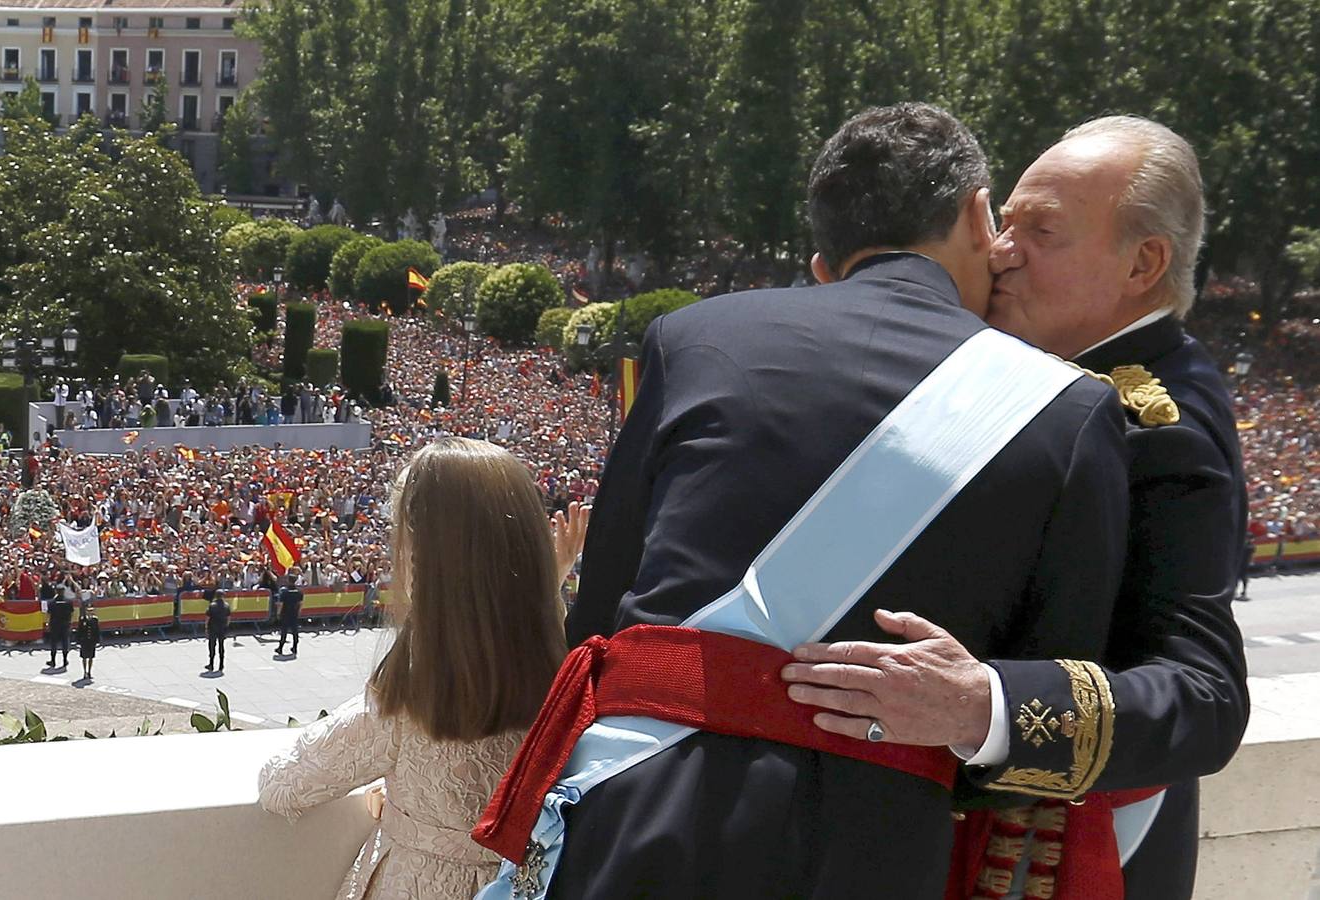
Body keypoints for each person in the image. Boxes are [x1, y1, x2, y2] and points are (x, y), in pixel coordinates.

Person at [481, 104, 1131, 900]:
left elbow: (600, 622)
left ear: (824, 258)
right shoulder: (1068, 410)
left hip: (637, 805)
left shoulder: (691, 338)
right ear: (974, 212)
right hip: (869, 845)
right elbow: (1049, 685)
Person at [781, 116, 1249, 900]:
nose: (1001, 249)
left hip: (1057, 856)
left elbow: (1202, 701)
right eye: (1003, 223)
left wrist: (983, 707)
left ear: (1143, 262)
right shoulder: (1029, 377)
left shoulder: (1157, 428)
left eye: (1041, 231)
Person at [258, 438, 584, 897]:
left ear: (422, 560)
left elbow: (282, 785)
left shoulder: (412, 697)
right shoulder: (572, 667)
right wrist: (545, 587)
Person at [275, 570, 303, 656]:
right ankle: (295, 647)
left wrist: (278, 613)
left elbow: (281, 604)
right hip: (294, 613)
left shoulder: (284, 592)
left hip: (285, 613)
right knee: (295, 631)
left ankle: (280, 648)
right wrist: (299, 612)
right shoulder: (299, 591)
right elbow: (301, 603)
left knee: (284, 631)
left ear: (288, 581)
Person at [205, 587, 230, 673]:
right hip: (222, 628)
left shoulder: (212, 605)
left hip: (213, 627)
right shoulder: (226, 605)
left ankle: (211, 664)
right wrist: (226, 626)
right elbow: (228, 618)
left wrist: (206, 627)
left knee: (212, 646)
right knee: (221, 646)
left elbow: (207, 618)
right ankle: (221, 664)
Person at [46, 591, 74, 669]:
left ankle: (53, 661)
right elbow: (72, 613)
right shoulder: (68, 601)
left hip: (55, 625)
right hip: (65, 624)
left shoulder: (52, 602)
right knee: (65, 642)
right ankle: (65, 660)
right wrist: (70, 622)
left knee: (54, 643)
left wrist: (47, 623)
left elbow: (49, 614)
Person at [75, 601, 100, 680]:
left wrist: (97, 641)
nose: (89, 612)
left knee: (91, 657)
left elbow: (97, 631)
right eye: (88, 611)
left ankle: (89, 671)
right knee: (84, 657)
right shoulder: (82, 619)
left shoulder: (95, 620)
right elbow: (79, 631)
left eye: (91, 611)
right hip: (84, 641)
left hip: (91, 641)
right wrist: (78, 641)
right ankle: (84, 671)